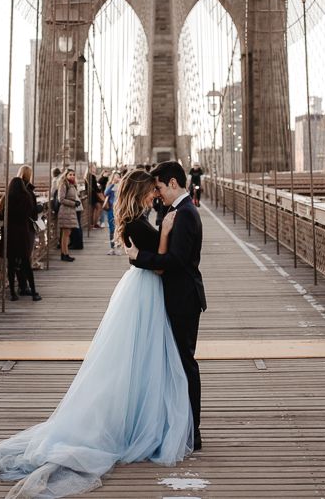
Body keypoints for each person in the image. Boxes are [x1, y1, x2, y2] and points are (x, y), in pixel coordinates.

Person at [0, 169, 193, 498]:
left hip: (136, 291)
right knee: (142, 355)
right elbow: (157, 263)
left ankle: (133, 413)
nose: (155, 195)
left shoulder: (133, 219)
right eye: (151, 191)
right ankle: (135, 420)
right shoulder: (140, 224)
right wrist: (167, 230)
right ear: (141, 191)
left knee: (133, 357)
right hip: (145, 291)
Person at [124, 160, 206, 451]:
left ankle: (192, 432)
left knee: (184, 364)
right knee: (173, 364)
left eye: (159, 187)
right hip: (173, 296)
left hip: (183, 299)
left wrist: (138, 258)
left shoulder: (184, 213)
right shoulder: (176, 211)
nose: (157, 194)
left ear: (173, 183)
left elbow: (175, 262)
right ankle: (177, 425)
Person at [0, 165, 43, 301]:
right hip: (23, 234)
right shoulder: (27, 197)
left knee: (11, 264)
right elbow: (34, 215)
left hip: (10, 235)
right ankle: (34, 292)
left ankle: (12, 293)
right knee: (26, 264)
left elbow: (0, 215)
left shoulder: (6, 198)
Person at [57, 169, 78, 262]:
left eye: (73, 174)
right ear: (66, 175)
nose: (72, 176)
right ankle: (64, 254)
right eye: (70, 174)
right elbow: (61, 199)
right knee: (65, 234)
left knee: (67, 234)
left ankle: (65, 253)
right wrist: (73, 203)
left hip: (70, 212)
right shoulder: (63, 184)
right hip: (65, 211)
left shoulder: (72, 185)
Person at [104, 172, 121, 255]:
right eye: (115, 176)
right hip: (111, 209)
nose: (116, 178)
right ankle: (112, 248)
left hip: (120, 210)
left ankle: (118, 247)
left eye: (118, 176)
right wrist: (112, 185)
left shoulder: (122, 186)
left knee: (118, 229)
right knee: (111, 229)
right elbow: (105, 193)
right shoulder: (110, 185)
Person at [87, 164, 104, 228]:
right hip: (93, 195)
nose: (95, 169)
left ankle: (93, 224)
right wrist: (100, 190)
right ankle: (94, 224)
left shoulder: (87, 176)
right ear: (90, 168)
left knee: (93, 209)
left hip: (90, 194)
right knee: (98, 208)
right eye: (94, 168)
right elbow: (95, 188)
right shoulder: (91, 176)